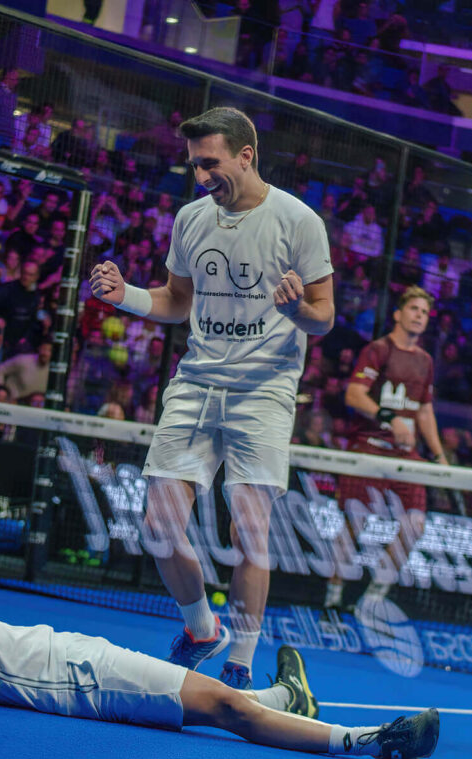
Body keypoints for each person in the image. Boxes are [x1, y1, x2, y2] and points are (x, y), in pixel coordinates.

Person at [0, 541, 439, 759]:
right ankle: (372, 742)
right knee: (225, 707)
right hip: (78, 680)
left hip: (73, 660)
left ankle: (289, 698)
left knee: (221, 703)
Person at [90, 106, 334, 690]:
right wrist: (125, 296)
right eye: (195, 166)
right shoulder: (191, 219)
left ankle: (240, 666)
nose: (201, 176)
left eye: (210, 163)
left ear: (246, 155)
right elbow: (177, 301)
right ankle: (202, 629)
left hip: (264, 391)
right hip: (196, 383)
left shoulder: (299, 221)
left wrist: (296, 310)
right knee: (157, 526)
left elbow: (323, 317)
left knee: (248, 531)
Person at [324, 285, 448, 610]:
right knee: (355, 522)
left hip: (405, 457)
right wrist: (388, 418)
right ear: (398, 313)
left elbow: (424, 410)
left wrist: (439, 456)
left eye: (424, 312)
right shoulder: (378, 350)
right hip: (369, 448)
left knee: (415, 526)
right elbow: (354, 395)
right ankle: (332, 599)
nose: (419, 316)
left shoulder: (425, 361)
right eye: (414, 309)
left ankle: (373, 600)